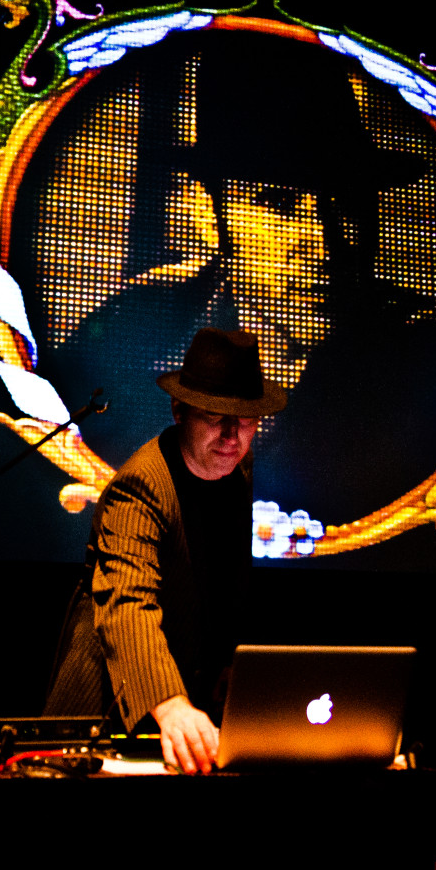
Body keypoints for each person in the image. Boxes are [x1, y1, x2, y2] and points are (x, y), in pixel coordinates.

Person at [44, 327, 286, 773]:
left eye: (247, 419)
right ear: (179, 410)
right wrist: (170, 703)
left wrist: (227, 660)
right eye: (216, 415)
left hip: (187, 710)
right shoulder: (139, 487)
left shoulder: (237, 466)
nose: (232, 435)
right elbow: (126, 602)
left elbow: (225, 572)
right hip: (104, 715)